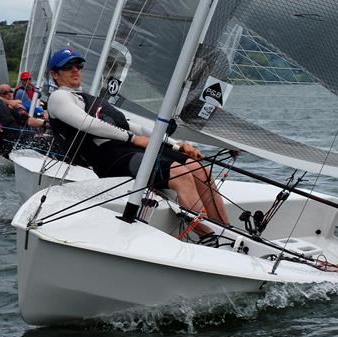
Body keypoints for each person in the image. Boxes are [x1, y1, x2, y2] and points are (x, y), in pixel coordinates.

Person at [47, 48, 230, 237]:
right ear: (55, 74)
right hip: (107, 157)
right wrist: (132, 138)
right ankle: (210, 237)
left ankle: (226, 230)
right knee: (180, 174)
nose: (75, 70)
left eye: (78, 65)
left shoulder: (90, 99)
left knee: (199, 169)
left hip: (127, 148)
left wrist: (176, 143)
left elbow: (135, 127)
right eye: (68, 67)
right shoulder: (59, 97)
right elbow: (87, 124)